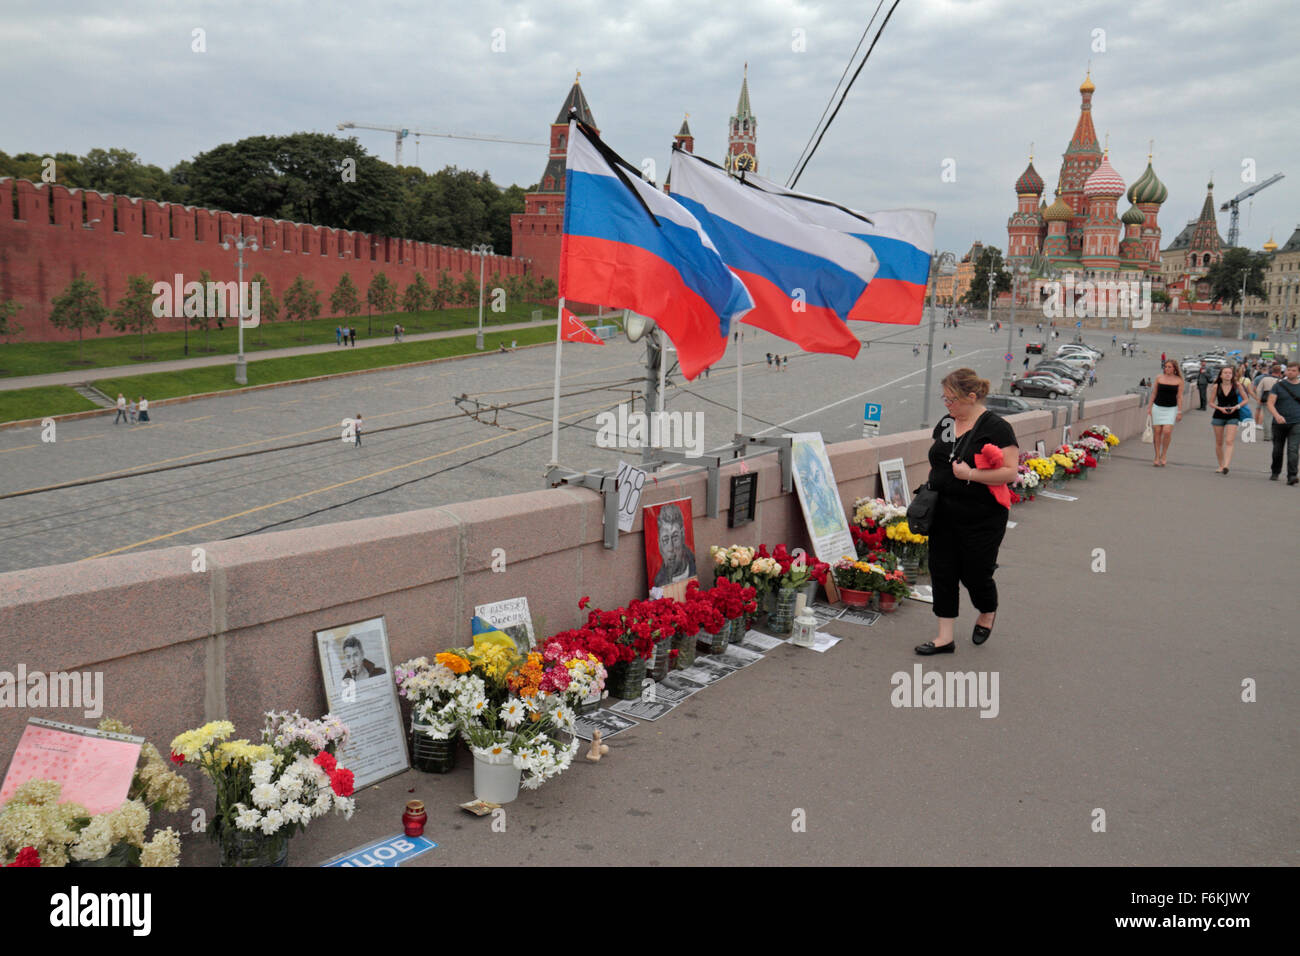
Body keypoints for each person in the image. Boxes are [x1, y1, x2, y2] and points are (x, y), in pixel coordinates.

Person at [915, 369, 1019, 656]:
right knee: (942, 571)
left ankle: (987, 610)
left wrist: (970, 474)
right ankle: (944, 637)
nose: (947, 405)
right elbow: (939, 457)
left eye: (952, 400)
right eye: (944, 399)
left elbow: (1010, 472)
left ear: (971, 397)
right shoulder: (948, 422)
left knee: (976, 573)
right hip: (943, 512)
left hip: (982, 516)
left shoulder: (996, 428)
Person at [1265, 360, 1300, 484]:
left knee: (1293, 449)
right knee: (1277, 450)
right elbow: (1270, 403)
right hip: (1279, 423)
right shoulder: (1278, 385)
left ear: (1298, 372)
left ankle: (1292, 475)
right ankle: (1275, 471)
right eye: (1288, 370)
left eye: (1293, 370)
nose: (1290, 372)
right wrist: (1277, 415)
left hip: (1296, 422)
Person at [1146, 360, 1184, 467]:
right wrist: (1149, 407)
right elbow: (1154, 393)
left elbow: (1180, 397)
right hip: (1157, 407)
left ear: (1174, 368)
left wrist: (1179, 411)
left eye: (1169, 367)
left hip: (1171, 409)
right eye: (1166, 367)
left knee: (1167, 431)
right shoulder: (1159, 378)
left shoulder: (1179, 380)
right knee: (1157, 431)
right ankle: (1157, 455)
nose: (1167, 369)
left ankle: (1164, 454)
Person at [1208, 366, 1245, 474]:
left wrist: (1236, 407)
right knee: (1219, 442)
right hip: (1219, 414)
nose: (1228, 374)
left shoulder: (1237, 385)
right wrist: (1220, 408)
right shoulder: (1216, 386)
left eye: (1230, 373)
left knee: (1229, 441)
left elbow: (1246, 399)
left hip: (1233, 414)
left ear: (1233, 375)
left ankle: (1226, 465)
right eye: (1225, 373)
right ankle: (1220, 464)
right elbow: (1211, 402)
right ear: (1221, 375)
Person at [652, 503, 697, 587]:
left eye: (675, 537)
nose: (670, 548)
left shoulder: (695, 565)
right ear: (659, 544)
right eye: (665, 540)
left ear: (683, 535)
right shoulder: (659, 582)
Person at [1255, 363, 1280, 441]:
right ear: (1279, 372)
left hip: (1266, 399)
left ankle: (1267, 436)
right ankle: (1274, 435)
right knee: (1276, 417)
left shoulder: (1265, 379)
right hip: (1277, 400)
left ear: (1271, 370)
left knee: (1267, 418)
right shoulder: (1280, 380)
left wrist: (1259, 398)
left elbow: (1258, 389)